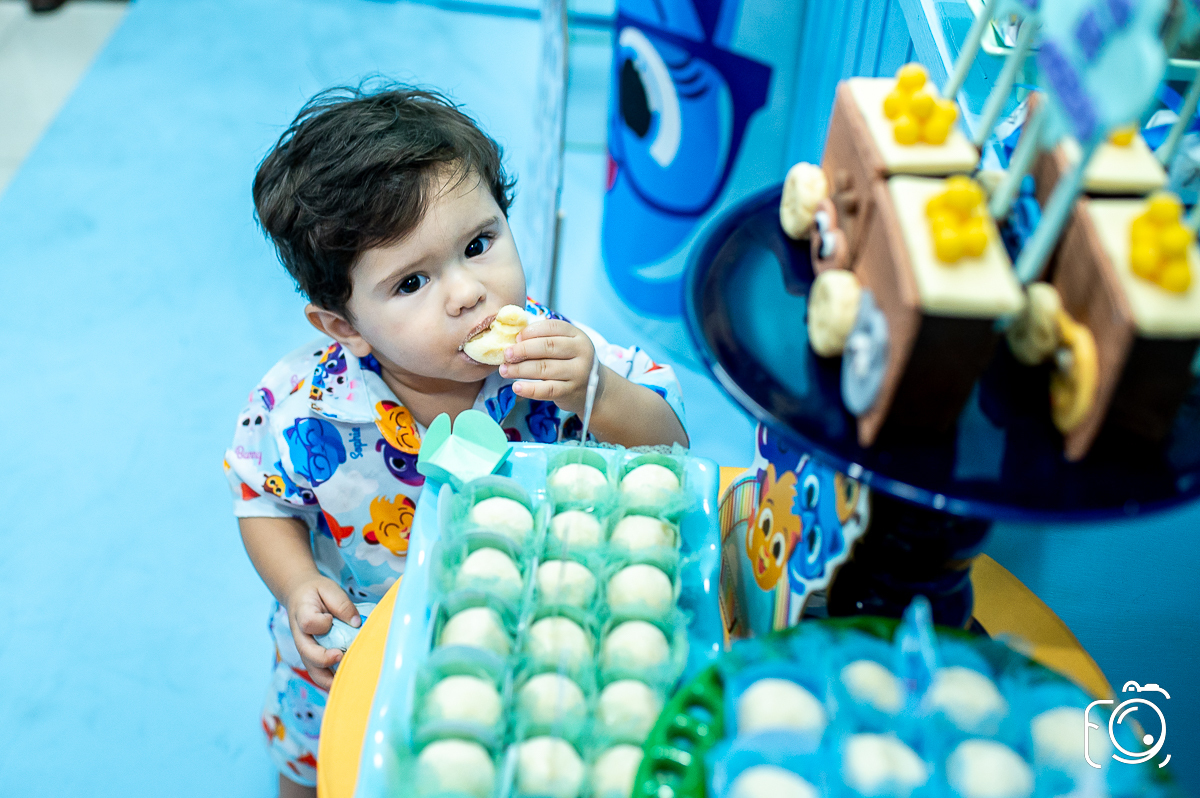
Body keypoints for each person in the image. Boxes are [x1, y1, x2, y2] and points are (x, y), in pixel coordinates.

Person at [224, 85, 688, 798]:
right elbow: (261, 498)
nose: (468, 292)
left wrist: (598, 392)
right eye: (412, 282)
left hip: (517, 636)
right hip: (352, 651)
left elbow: (671, 448)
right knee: (321, 769)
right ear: (344, 327)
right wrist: (296, 584)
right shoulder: (300, 410)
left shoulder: (562, 357)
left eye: (479, 245)